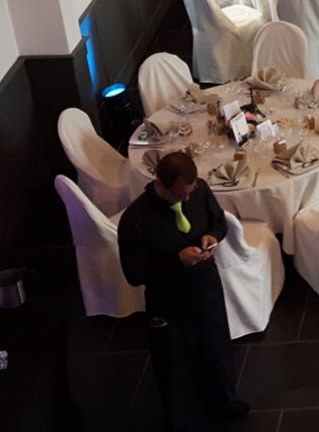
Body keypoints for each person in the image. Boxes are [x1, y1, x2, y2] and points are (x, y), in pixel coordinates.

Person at [118, 151, 249, 430]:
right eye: (181, 194)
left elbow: (218, 221)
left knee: (217, 350)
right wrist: (177, 261)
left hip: (206, 287)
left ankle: (224, 402)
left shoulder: (199, 190)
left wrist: (213, 236)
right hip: (168, 300)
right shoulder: (136, 219)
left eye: (190, 192)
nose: (188, 199)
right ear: (161, 185)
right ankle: (183, 420)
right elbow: (133, 274)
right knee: (175, 364)